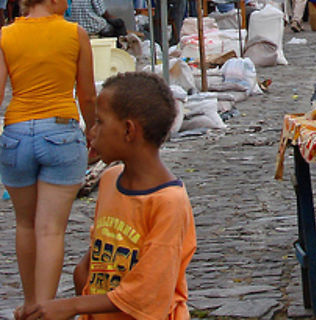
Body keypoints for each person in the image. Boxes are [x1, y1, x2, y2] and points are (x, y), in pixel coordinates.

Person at [16, 71, 196, 320]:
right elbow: (95, 258)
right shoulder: (112, 179)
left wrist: (74, 305)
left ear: (128, 130)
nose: (91, 131)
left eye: (100, 122)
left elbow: (149, 292)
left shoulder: (168, 203)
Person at [0, 0, 97, 313]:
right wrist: (95, 131)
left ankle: (28, 305)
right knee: (51, 229)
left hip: (16, 135)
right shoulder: (75, 34)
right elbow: (86, 95)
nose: (67, 3)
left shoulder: (6, 36)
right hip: (60, 131)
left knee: (24, 224)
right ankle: (45, 308)